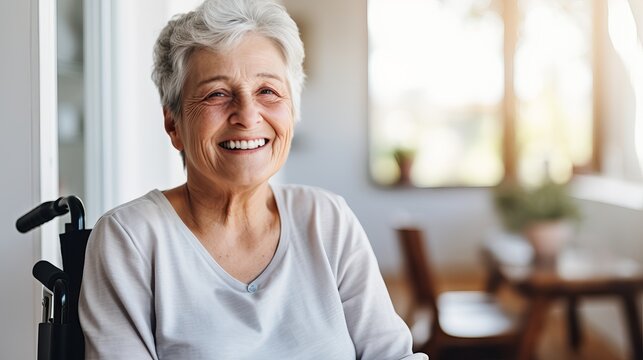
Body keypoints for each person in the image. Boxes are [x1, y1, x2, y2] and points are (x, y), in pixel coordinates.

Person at [79, 0, 428, 359]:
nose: (247, 115)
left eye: (267, 91)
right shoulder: (131, 239)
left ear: (292, 111)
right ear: (173, 124)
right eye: (217, 94)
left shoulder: (327, 219)